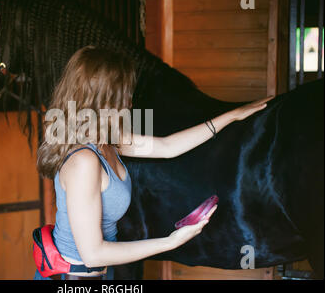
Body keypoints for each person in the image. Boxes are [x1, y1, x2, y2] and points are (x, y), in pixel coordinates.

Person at [35, 46, 273, 280]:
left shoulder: (108, 140)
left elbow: (167, 147)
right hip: (73, 277)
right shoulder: (84, 161)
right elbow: (93, 254)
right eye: (124, 94)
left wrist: (231, 116)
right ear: (104, 101)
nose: (129, 102)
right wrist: (170, 242)